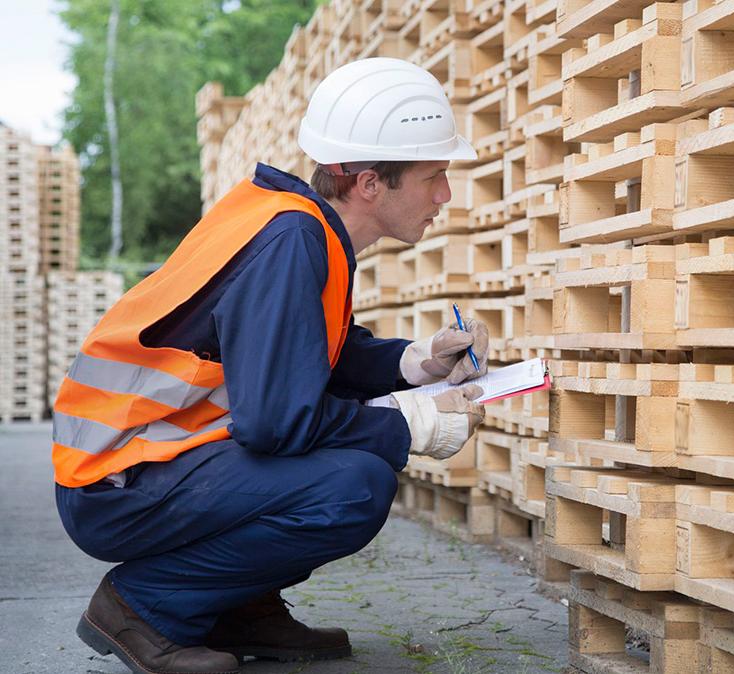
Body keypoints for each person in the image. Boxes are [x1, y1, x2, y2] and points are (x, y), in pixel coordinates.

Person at [53, 57, 489, 674]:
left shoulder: (298, 225)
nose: (445, 194)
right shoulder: (291, 241)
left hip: (141, 466)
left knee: (347, 471)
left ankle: (234, 608)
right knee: (352, 486)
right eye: (434, 176)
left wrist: (416, 363)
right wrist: (409, 424)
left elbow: (303, 353)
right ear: (369, 182)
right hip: (120, 484)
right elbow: (275, 422)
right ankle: (143, 608)